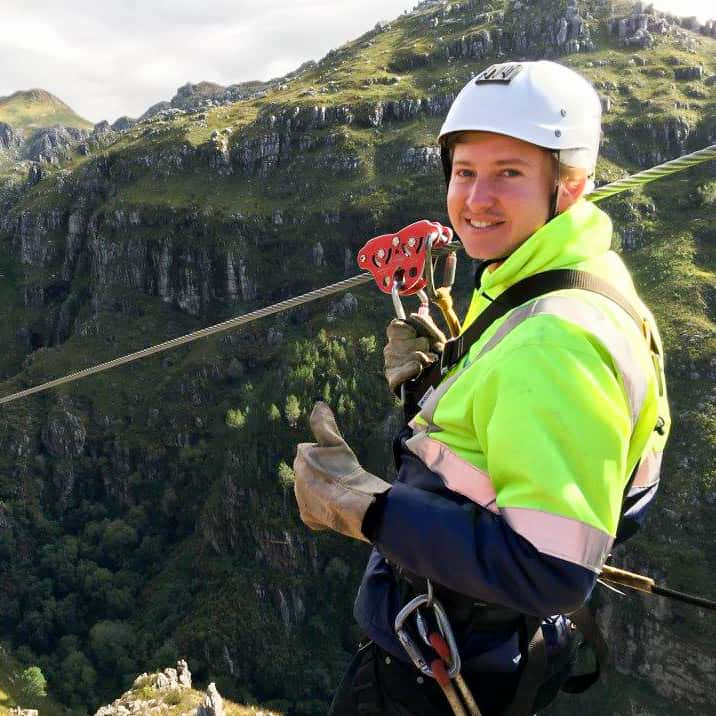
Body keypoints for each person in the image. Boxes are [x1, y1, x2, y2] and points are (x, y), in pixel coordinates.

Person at [293, 60, 670, 716]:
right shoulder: (568, 274)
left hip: (442, 669)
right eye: (465, 172)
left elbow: (549, 570)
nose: (475, 199)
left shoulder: (558, 341)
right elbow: (512, 442)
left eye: (510, 173)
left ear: (571, 185)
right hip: (487, 646)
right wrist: (439, 382)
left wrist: (367, 506)